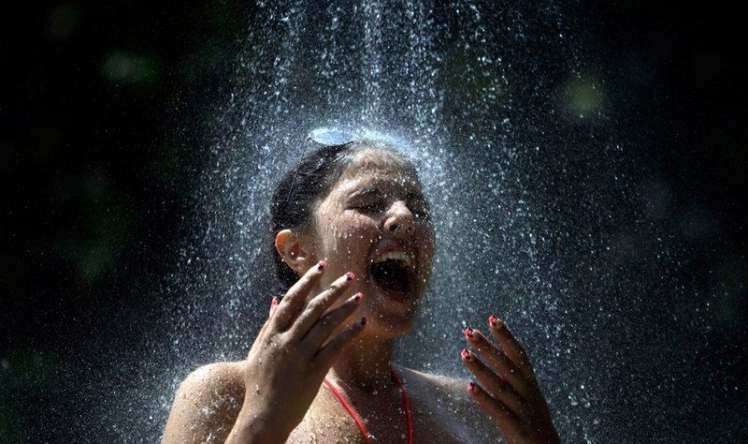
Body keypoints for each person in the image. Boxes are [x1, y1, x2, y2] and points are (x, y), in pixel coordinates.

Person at [161, 130, 559, 443]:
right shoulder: (225, 394)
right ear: (296, 250)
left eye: (418, 208)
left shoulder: (470, 407)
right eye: (368, 204)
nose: (405, 217)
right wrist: (262, 422)